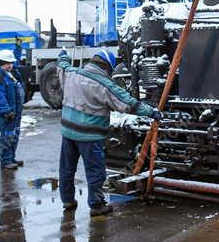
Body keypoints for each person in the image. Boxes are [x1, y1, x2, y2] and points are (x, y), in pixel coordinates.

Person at [57, 49, 162, 216]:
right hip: (89, 137)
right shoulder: (105, 85)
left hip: (68, 133)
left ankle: (68, 200)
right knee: (95, 172)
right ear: (107, 68)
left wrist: (63, 55)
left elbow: (61, 65)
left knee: (67, 169)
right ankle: (97, 205)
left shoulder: (71, 74)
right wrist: (153, 112)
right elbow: (128, 103)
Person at [0, 49, 25, 171]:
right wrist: (6, 111)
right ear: (1, 63)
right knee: (7, 136)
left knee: (14, 135)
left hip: (15, 112)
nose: (10, 65)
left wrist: (18, 49)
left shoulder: (11, 74)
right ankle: (5, 161)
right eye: (7, 63)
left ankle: (11, 158)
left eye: (11, 63)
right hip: (7, 114)